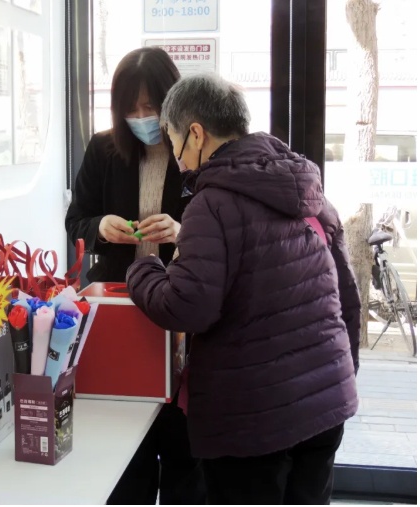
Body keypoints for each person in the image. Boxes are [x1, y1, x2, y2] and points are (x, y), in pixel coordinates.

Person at [126, 73, 361, 505]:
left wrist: (143, 270)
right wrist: (342, 376)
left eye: (174, 141)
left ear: (196, 134)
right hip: (326, 402)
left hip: (255, 418)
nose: (177, 159)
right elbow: (348, 296)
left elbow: (186, 307)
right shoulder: (307, 189)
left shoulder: (211, 204)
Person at [65, 47, 206, 505]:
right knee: (127, 455)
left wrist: (182, 232)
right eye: (131, 108)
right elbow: (76, 221)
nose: (142, 118)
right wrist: (100, 228)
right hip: (121, 311)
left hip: (179, 313)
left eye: (151, 106)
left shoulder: (196, 154)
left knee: (183, 447)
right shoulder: (104, 149)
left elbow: (218, 231)